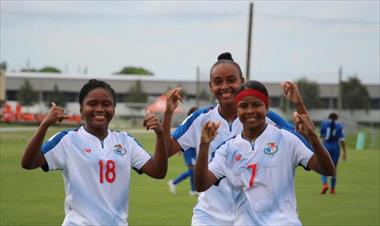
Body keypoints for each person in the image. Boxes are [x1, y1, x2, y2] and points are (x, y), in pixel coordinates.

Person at [163, 52, 312, 226]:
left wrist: (299, 104)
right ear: (210, 86)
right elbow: (165, 151)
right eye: (218, 82)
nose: (225, 86)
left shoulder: (266, 117)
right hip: (210, 217)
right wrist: (168, 114)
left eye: (231, 80)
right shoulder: (200, 119)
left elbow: (304, 144)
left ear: (242, 81)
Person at [21, 79, 168, 226]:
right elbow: (28, 163)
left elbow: (158, 171)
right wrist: (45, 124)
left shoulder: (125, 141)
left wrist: (160, 134)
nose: (99, 109)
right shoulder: (68, 140)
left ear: (114, 109)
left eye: (106, 104)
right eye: (92, 104)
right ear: (81, 109)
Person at [194, 80, 336, 226]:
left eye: (256, 105)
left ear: (267, 108)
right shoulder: (227, 149)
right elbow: (201, 185)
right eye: (243, 106)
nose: (250, 111)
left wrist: (313, 137)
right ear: (237, 111)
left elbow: (327, 169)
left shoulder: (286, 139)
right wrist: (204, 145)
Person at [168, 107, 198, 196]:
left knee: (193, 170)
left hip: (193, 150)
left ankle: (193, 190)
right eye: (195, 113)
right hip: (188, 150)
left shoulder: (197, 124)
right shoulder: (187, 124)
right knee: (192, 170)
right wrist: (179, 148)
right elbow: (176, 134)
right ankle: (174, 182)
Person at [320, 112, 347, 194]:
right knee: (333, 168)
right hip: (335, 148)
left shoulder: (324, 124)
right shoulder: (339, 126)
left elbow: (321, 136)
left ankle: (325, 184)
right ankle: (332, 189)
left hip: (326, 147)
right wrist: (345, 152)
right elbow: (342, 140)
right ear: (336, 118)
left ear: (329, 117)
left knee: (323, 167)